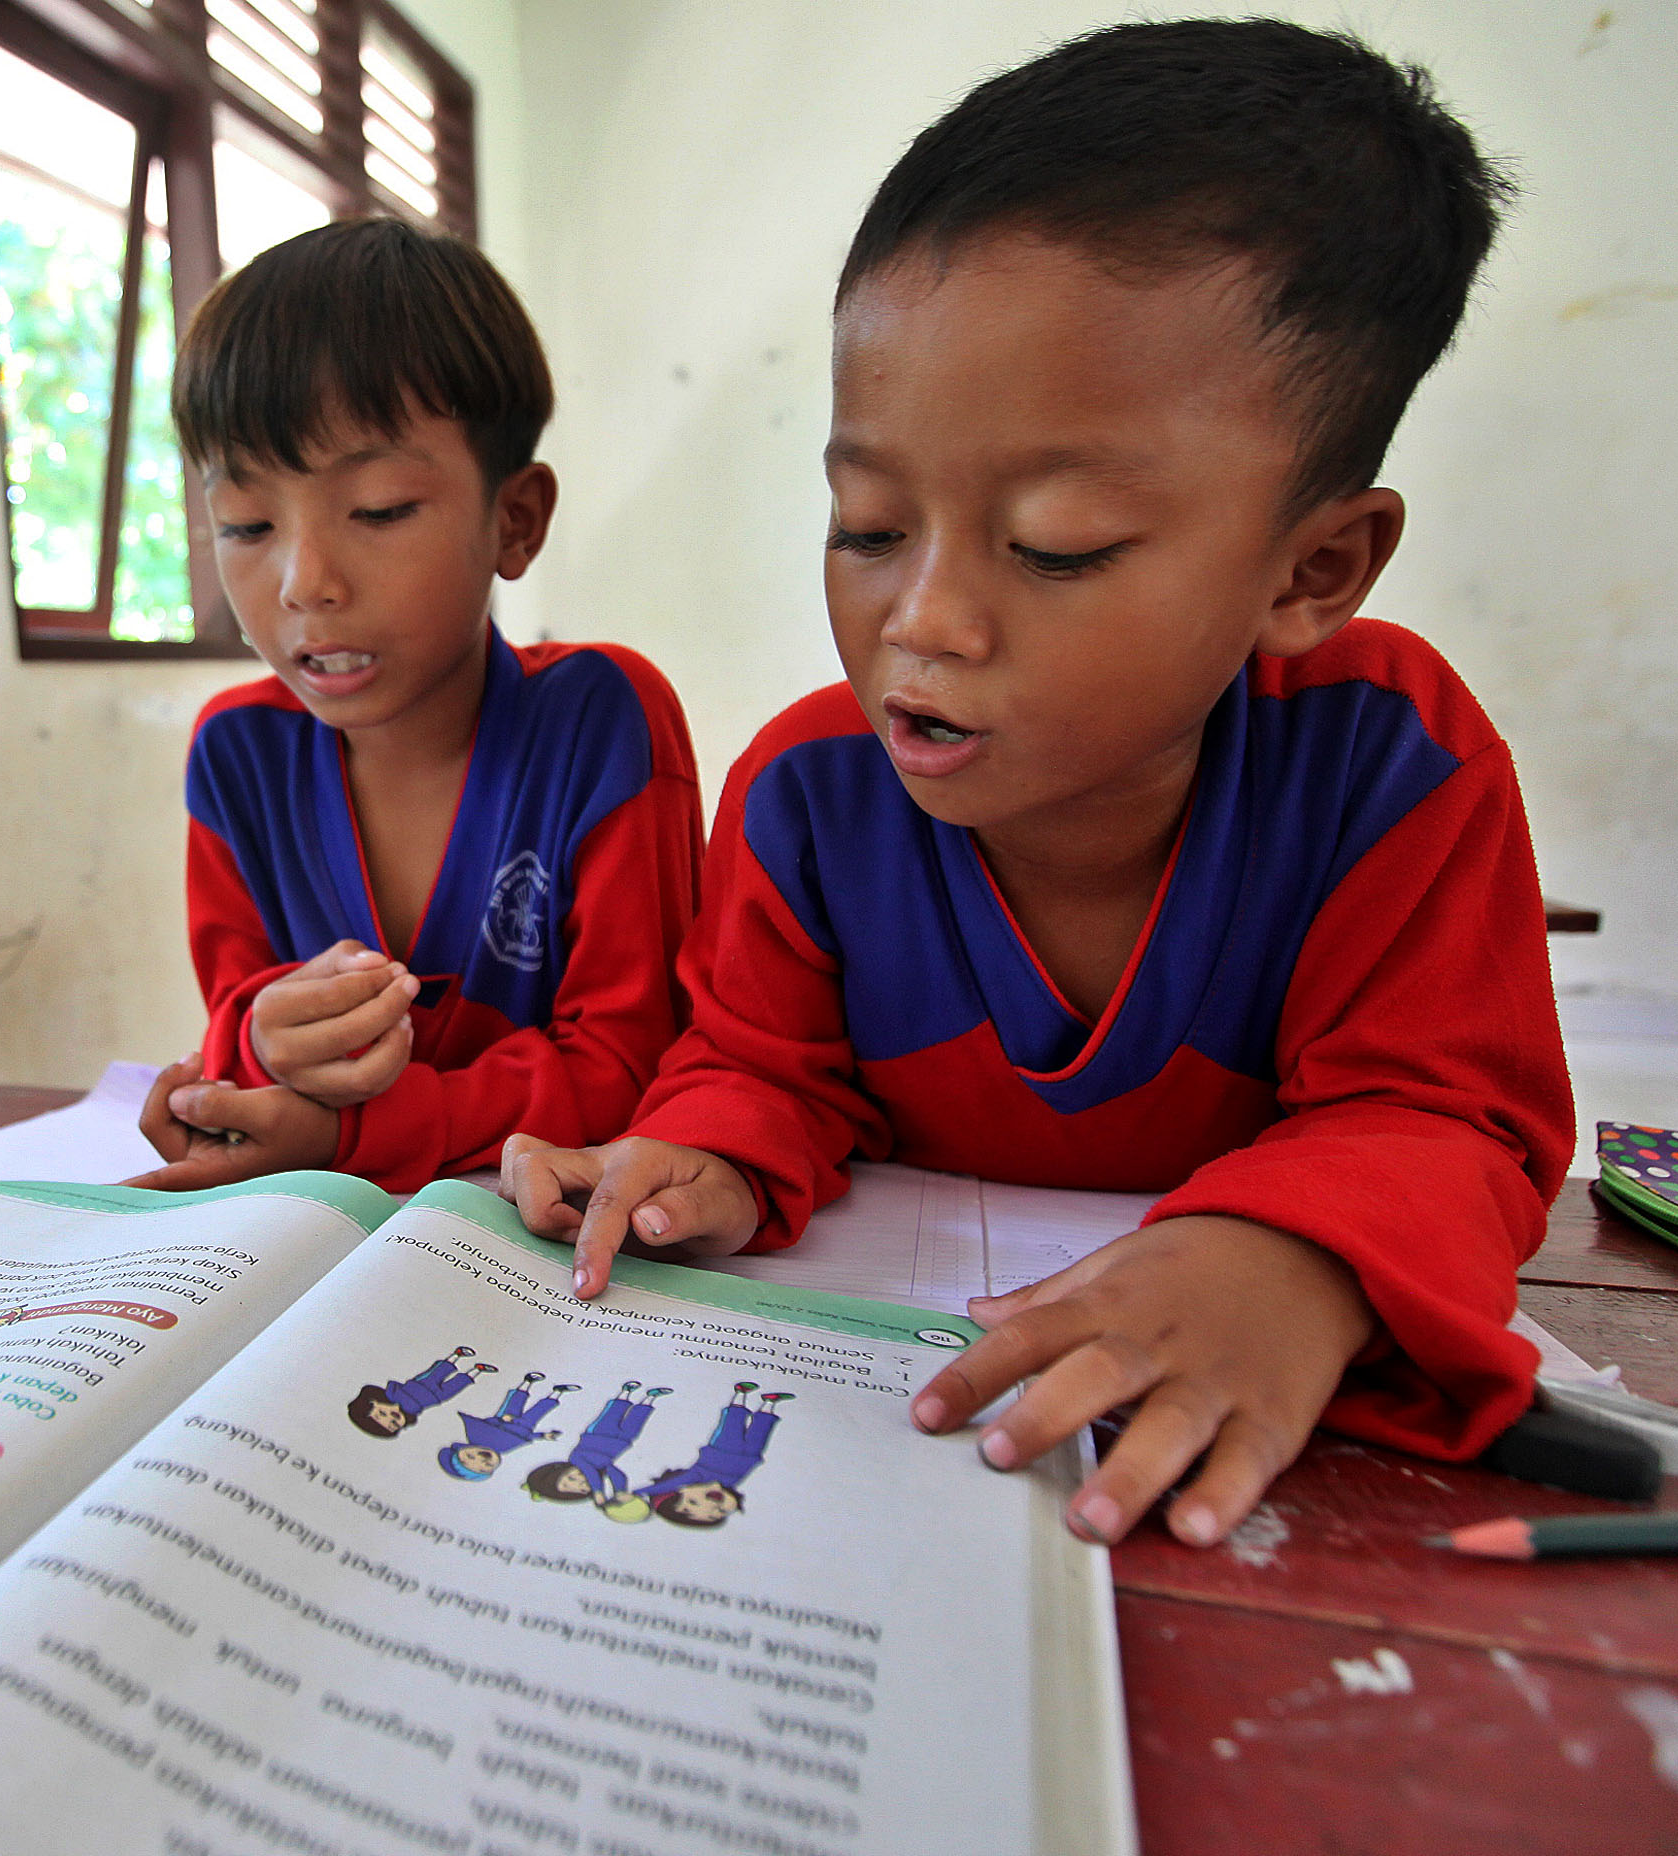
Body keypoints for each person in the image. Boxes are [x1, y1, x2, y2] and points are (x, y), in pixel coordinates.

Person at [499, 21, 1572, 1553]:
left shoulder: (1389, 762)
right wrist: (707, 1157)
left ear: (1313, 566)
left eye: (1059, 544)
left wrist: (1300, 1259)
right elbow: (763, 1060)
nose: (921, 621)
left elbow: (1451, 1120)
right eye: (870, 525)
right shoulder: (809, 792)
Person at [125, 218, 705, 1195]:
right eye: (247, 523)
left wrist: (361, 1134)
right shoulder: (237, 756)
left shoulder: (599, 723)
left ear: (513, 521)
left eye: (382, 509)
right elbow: (237, 1020)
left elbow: (629, 1064)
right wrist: (255, 1051)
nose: (306, 580)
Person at [635, 1385, 793, 1529]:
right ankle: (770, 1403)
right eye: (720, 1511)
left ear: (682, 1489)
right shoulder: (727, 1484)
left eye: (693, 1502)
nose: (713, 1505)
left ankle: (741, 1392)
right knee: (762, 1428)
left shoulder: (696, 1476)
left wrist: (639, 1492)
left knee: (733, 1421)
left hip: (723, 1449)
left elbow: (669, 1485)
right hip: (751, 1455)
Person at [523, 1382, 669, 1505]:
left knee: (614, 1411)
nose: (580, 1481)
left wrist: (598, 1490)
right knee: (638, 1418)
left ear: (560, 1471)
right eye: (582, 1489)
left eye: (571, 1479)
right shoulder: (603, 1468)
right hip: (623, 1440)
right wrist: (619, 1492)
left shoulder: (576, 1459)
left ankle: (626, 1392)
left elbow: (590, 1471)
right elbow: (618, 1475)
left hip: (598, 1433)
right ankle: (651, 1397)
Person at [438, 1372, 581, 1480]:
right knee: (540, 1409)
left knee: (516, 1400)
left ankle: (528, 1381)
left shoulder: (477, 1436)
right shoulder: (504, 1448)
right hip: (526, 1426)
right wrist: (543, 1436)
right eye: (487, 1465)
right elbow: (523, 1437)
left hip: (505, 1419)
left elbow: (486, 1424)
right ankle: (557, 1392)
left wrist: (501, 1421)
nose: (482, 1458)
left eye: (470, 1456)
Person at [347, 1346, 497, 1439]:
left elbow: (394, 1388)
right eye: (394, 1424)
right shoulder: (412, 1411)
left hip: (421, 1384)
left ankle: (456, 1355)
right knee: (456, 1386)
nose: (393, 1418)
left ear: (374, 1402)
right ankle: (477, 1370)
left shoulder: (394, 1394)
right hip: (436, 1398)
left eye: (382, 1414)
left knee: (438, 1371)